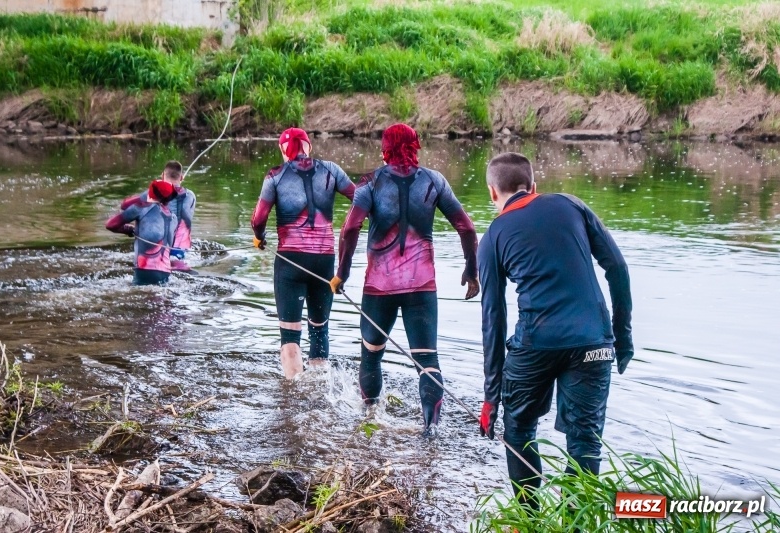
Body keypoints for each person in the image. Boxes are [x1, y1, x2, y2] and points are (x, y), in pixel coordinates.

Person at [477, 152, 633, 504]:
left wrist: (491, 396)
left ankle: (528, 519)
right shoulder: (571, 204)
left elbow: (493, 317)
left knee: (518, 431)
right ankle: (577, 524)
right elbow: (618, 269)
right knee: (585, 440)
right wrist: (622, 339)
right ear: (534, 186)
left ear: (492, 193)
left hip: (536, 343)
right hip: (595, 341)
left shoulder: (492, 238)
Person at [331, 123, 479, 437]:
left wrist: (341, 273)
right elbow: (466, 228)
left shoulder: (370, 183)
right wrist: (471, 270)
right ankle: (430, 432)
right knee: (427, 360)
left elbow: (350, 229)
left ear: (384, 148)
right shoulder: (434, 181)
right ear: (416, 147)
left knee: (371, 354)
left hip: (379, 288)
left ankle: (369, 418)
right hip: (421, 288)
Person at [251, 128, 355, 379]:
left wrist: (260, 237)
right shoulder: (331, 170)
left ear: (283, 150)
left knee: (290, 337)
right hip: (324, 261)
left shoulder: (275, 176)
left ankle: (294, 396)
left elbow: (258, 219)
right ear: (309, 146)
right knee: (319, 330)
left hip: (290, 262)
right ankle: (320, 390)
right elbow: (359, 199)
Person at [121, 161, 196, 271]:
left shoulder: (153, 194)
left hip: (157, 248)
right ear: (181, 178)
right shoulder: (191, 196)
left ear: (162, 176)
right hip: (181, 249)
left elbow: (125, 206)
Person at [107, 180, 179, 286]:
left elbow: (111, 225)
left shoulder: (143, 208)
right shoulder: (174, 218)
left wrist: (129, 230)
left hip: (145, 269)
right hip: (166, 271)